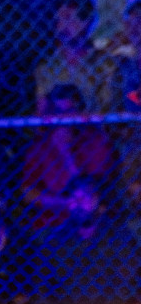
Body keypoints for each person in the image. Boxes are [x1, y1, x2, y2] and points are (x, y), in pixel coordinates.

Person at [29, 176, 139, 304]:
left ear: (96, 200)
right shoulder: (53, 243)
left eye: (85, 198)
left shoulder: (118, 237)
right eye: (74, 199)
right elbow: (42, 291)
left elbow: (126, 286)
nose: (79, 204)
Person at [21, 84, 116, 230]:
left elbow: (99, 187)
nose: (62, 118)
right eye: (57, 111)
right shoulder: (40, 147)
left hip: (94, 222)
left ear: (78, 113)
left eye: (68, 111)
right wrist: (64, 202)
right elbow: (28, 192)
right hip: (54, 227)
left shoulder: (93, 139)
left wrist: (64, 150)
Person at [34, 0, 120, 115]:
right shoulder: (45, 67)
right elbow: (41, 112)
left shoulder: (105, 65)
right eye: (58, 19)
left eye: (67, 18)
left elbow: (108, 107)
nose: (61, 26)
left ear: (86, 22)